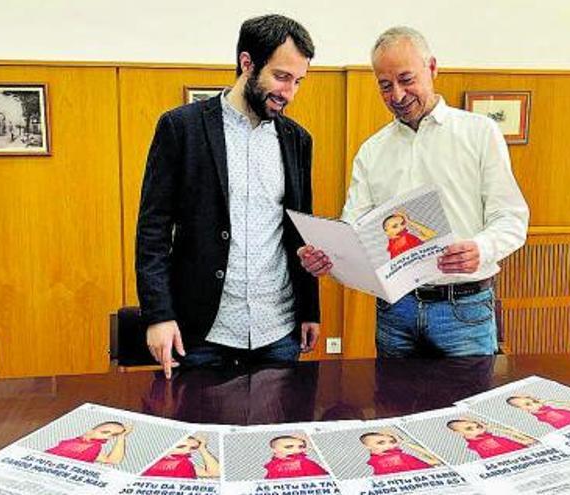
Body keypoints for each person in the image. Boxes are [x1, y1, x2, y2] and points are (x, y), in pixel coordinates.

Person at [299, 26, 528, 357]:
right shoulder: (371, 150)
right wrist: (328, 256)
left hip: (463, 309)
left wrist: (482, 247)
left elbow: (512, 218)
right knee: (394, 407)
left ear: (432, 68)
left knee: (464, 409)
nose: (398, 95)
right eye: (385, 85)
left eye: (407, 80)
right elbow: (355, 229)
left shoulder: (479, 133)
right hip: (396, 312)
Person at [136, 14, 320, 378]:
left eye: (298, 81)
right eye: (282, 77)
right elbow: (152, 231)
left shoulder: (298, 140)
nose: (290, 92)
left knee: (276, 434)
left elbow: (302, 230)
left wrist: (309, 310)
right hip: (202, 332)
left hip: (278, 330)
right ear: (247, 63)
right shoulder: (181, 127)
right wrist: (159, 315)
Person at [45, 422, 132, 464]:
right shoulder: (70, 441)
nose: (108, 436)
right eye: (105, 432)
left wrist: (121, 437)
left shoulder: (95, 447)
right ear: (91, 430)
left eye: (114, 435)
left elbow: (113, 460)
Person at [359, 431, 440, 475]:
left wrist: (405, 442)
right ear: (367, 446)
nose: (390, 446)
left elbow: (436, 460)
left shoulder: (405, 456)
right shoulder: (369, 466)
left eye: (392, 442)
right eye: (381, 443)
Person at [446, 418, 534, 459]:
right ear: (458, 433)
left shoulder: (492, 436)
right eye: (469, 428)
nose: (477, 428)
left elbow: (529, 441)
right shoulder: (474, 447)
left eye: (478, 425)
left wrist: (492, 428)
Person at [142, 435, 220, 478]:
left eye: (192, 448)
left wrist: (202, 448)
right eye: (181, 446)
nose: (187, 451)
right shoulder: (147, 459)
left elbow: (215, 473)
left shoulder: (184, 462)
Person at [506, 395, 570, 429]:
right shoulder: (537, 420)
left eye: (534, 401)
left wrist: (550, 401)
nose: (534, 404)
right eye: (528, 404)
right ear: (522, 409)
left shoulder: (554, 408)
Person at [263, 435, 329, 479]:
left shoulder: (305, 463)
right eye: (288, 447)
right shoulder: (272, 466)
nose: (296, 450)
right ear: (274, 449)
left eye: (301, 447)